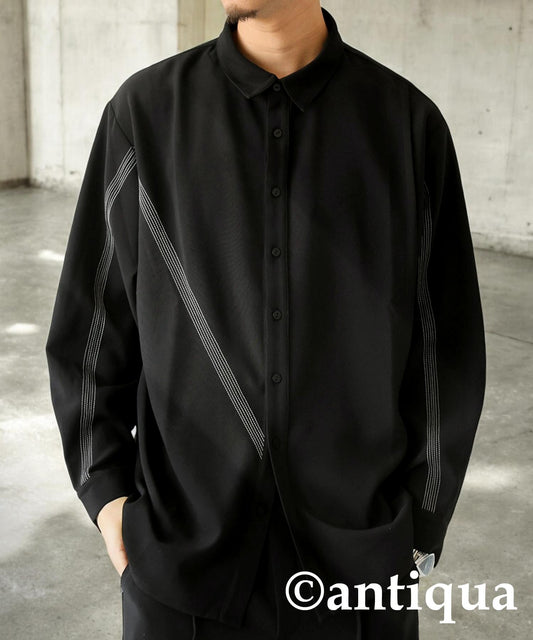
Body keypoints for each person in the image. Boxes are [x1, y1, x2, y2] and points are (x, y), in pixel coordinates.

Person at [45, 1, 486, 638]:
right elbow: (92, 324)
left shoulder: (406, 125)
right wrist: (107, 490)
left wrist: (420, 523)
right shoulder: (145, 115)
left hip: (358, 566)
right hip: (181, 559)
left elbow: (447, 349)